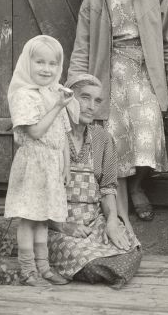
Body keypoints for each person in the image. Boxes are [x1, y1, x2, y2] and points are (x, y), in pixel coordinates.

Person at [68, 0, 168, 223]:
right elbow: (82, 44)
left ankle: (138, 186)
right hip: (109, 76)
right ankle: (119, 212)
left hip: (146, 73)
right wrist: (75, 85)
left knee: (148, 135)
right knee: (113, 140)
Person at [48, 74, 142, 287]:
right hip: (57, 224)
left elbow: (108, 187)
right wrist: (62, 226)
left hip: (94, 220)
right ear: (68, 98)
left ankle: (108, 269)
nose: (91, 106)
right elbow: (38, 193)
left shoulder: (102, 138)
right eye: (85, 98)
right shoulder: (50, 134)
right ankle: (104, 270)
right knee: (84, 258)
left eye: (97, 101)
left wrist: (111, 221)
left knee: (130, 246)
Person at [4, 35, 73, 287]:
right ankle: (27, 270)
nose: (46, 69)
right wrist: (56, 106)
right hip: (33, 163)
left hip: (52, 164)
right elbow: (35, 132)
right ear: (27, 62)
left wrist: (66, 166)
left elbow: (63, 135)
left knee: (43, 217)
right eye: (40, 62)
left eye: (52, 64)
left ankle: (44, 268)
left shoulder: (55, 92)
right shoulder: (25, 94)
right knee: (29, 217)